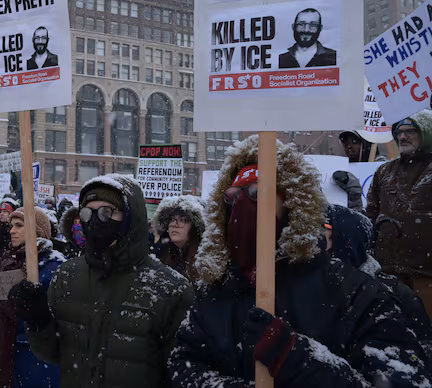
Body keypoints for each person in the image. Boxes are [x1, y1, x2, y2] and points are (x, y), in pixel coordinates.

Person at [169, 135, 430, 387]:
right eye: (232, 196)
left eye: (257, 193)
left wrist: (297, 359)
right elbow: (184, 365)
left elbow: (402, 380)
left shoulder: (355, 293)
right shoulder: (215, 291)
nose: (241, 205)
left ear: (293, 204)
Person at [11, 174, 194, 387]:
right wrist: (40, 322)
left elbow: (182, 374)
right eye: (88, 212)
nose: (96, 220)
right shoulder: (68, 275)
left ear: (129, 217)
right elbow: (53, 353)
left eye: (107, 212)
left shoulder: (170, 288)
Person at [324, 203, 432, 357]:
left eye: (326, 234)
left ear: (346, 240)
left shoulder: (391, 297)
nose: (316, 243)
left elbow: (415, 365)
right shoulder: (315, 285)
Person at [0, 206, 65, 388]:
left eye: (19, 225)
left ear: (35, 230)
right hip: (10, 352)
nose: (12, 231)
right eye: (12, 226)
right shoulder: (7, 262)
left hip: (37, 360)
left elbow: (64, 324)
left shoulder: (54, 266)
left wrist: (37, 314)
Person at [366, 109, 432, 317]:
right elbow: (370, 214)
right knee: (396, 330)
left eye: (411, 131)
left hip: (426, 273)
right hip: (389, 270)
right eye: (399, 132)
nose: (402, 137)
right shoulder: (384, 171)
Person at [151, 195, 205, 283]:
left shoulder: (204, 263)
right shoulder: (157, 255)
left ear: (195, 227)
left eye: (183, 220)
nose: (174, 224)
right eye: (172, 219)